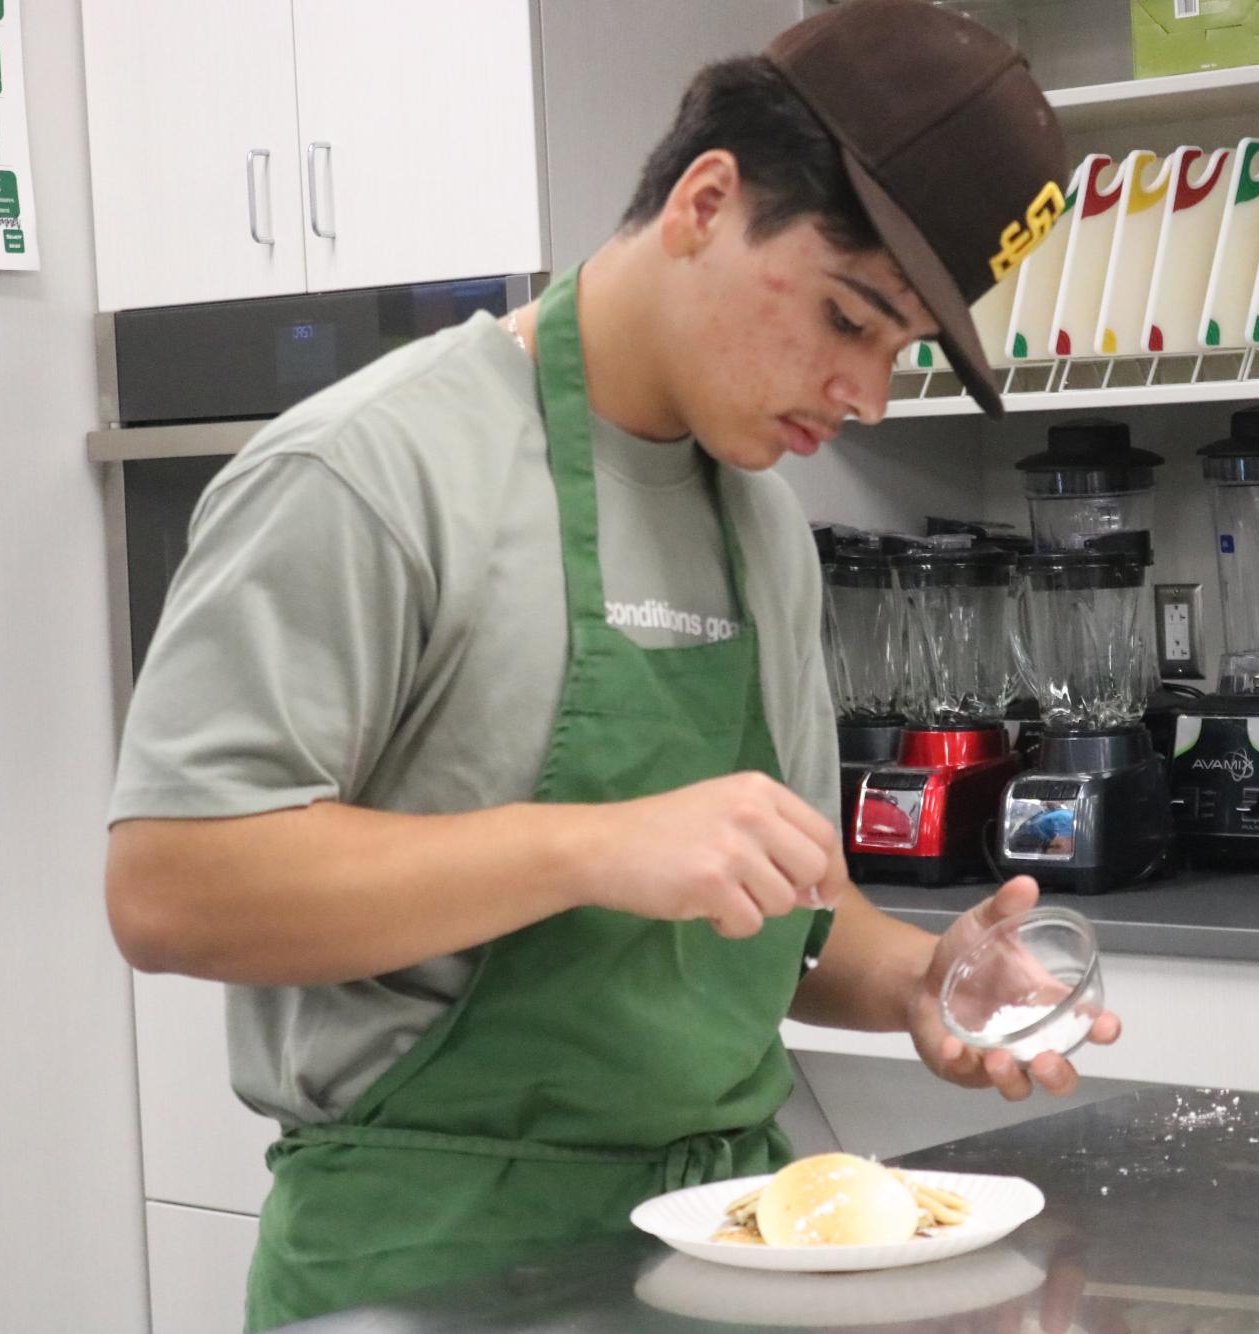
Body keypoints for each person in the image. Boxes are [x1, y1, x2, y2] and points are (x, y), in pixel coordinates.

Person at [102, 1, 1117, 1327]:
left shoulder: (759, 513)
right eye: (847, 316)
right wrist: (585, 844)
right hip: (424, 1265)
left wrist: (920, 979)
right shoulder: (368, 471)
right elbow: (170, 887)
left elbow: (785, 917)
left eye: (900, 350)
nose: (866, 393)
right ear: (706, 200)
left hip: (721, 1262)